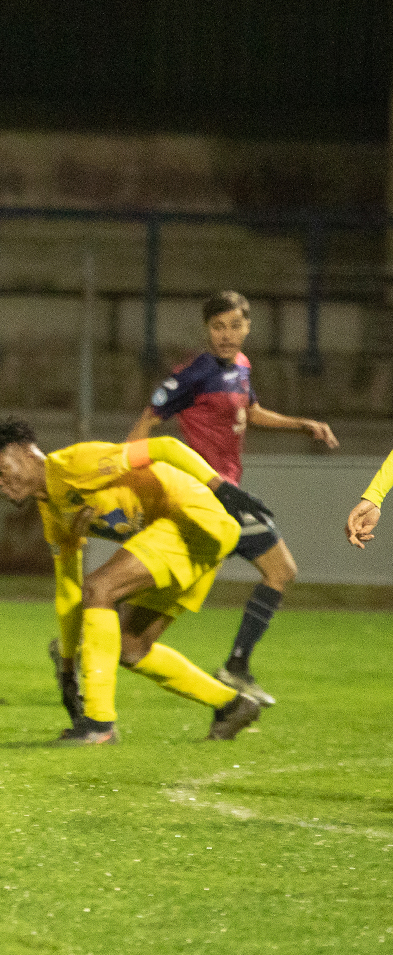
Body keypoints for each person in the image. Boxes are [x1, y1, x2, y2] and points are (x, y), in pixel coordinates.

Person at [0, 419, 264, 746]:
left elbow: (164, 446)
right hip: (189, 539)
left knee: (100, 589)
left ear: (26, 453)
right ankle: (232, 705)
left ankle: (98, 726)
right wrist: (68, 667)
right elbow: (68, 591)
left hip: (194, 519)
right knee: (130, 647)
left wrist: (220, 487)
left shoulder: (76, 464)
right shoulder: (52, 512)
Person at [126, 289, 337, 705]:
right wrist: (135, 487)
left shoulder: (241, 366)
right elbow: (142, 427)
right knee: (279, 571)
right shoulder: (192, 374)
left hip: (227, 495)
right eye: (217, 326)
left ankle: (87, 647)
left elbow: (250, 412)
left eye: (234, 325)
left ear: (248, 326)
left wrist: (302, 424)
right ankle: (234, 668)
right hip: (202, 496)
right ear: (207, 330)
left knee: (153, 615)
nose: (226, 334)